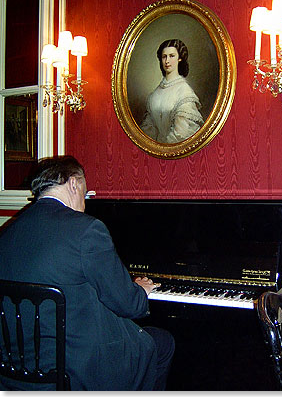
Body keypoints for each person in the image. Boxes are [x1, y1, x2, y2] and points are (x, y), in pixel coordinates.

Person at [0, 156, 175, 391]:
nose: (85, 199)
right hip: (75, 368)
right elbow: (127, 304)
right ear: (73, 184)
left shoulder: (8, 232)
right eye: (85, 190)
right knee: (162, 343)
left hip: (18, 365)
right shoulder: (87, 229)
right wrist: (139, 290)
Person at [140, 39, 204, 143]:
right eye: (164, 56)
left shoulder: (184, 91)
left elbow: (182, 133)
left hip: (175, 151)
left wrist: (164, 149)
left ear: (180, 58)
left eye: (172, 56)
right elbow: (148, 128)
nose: (167, 61)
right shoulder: (155, 94)